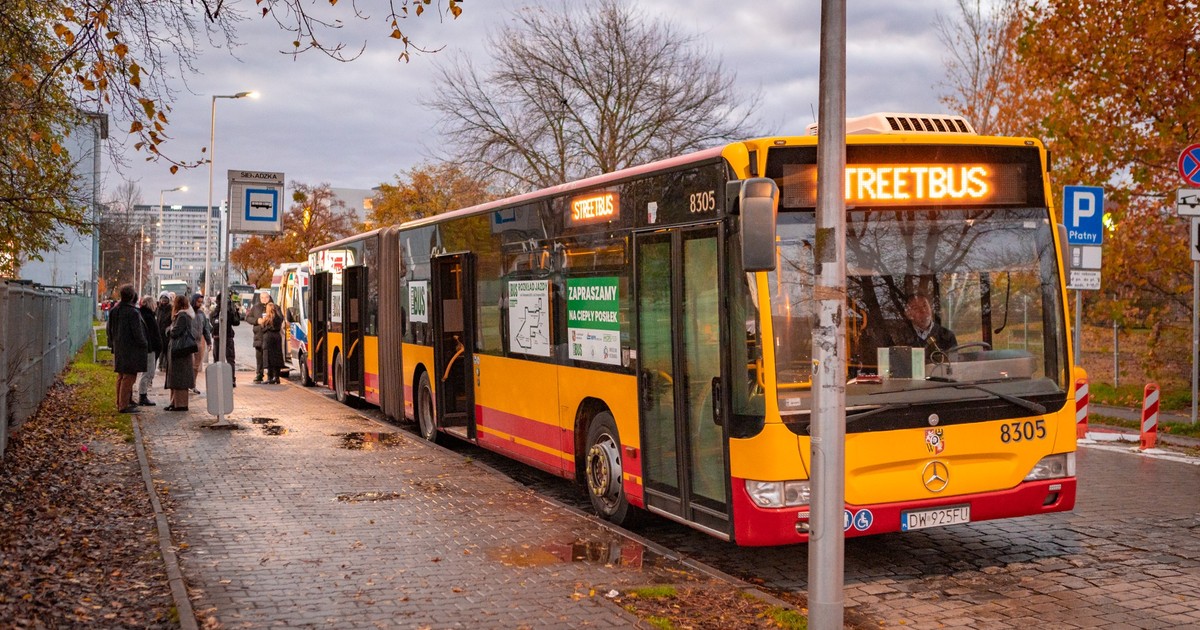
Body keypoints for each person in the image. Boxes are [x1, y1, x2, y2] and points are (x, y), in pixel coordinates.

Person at [106, 285, 148, 413]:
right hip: (131, 349)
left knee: (121, 375)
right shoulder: (132, 312)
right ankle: (123, 405)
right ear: (132, 296)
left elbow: (109, 329)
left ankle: (120, 402)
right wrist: (144, 343)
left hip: (119, 346)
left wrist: (113, 343)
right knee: (129, 377)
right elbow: (137, 333)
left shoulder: (114, 310)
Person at [164, 294, 196, 411]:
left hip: (180, 349)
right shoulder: (181, 315)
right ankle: (174, 402)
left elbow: (175, 332)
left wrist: (168, 330)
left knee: (179, 377)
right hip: (179, 349)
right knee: (175, 376)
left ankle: (180, 404)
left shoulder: (182, 316)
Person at [135, 295, 163, 406]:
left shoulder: (142, 314)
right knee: (148, 372)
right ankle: (142, 395)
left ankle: (143, 394)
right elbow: (153, 334)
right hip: (150, 348)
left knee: (148, 372)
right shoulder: (149, 316)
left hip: (149, 347)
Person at [211, 292, 241, 387]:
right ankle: (229, 379)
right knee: (227, 359)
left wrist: (234, 311)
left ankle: (225, 379)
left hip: (224, 338)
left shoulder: (221, 312)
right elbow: (236, 322)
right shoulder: (217, 312)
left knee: (224, 360)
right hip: (221, 338)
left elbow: (236, 322)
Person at [247, 291, 272, 383]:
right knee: (259, 356)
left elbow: (279, 318)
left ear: (269, 297)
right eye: (262, 298)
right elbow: (248, 318)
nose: (264, 299)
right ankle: (259, 374)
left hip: (270, 335)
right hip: (259, 336)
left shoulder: (273, 307)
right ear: (260, 298)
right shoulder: (256, 307)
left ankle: (271, 375)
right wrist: (257, 321)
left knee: (270, 356)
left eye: (266, 297)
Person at [190, 293, 213, 394]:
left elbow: (206, 329)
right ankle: (187, 384)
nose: (199, 304)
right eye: (198, 302)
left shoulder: (201, 314)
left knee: (196, 366)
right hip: (189, 343)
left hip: (198, 343)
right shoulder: (188, 312)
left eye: (201, 302)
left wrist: (208, 342)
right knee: (189, 365)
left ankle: (193, 384)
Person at [259, 302, 285, 384]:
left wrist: (262, 322)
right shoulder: (278, 318)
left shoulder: (267, 319)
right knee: (276, 357)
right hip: (277, 337)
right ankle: (276, 377)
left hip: (268, 338)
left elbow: (263, 328)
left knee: (268, 357)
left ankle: (270, 377)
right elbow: (282, 318)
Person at [155, 291, 173, 372]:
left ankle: (165, 365)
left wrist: (169, 328)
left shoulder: (171, 309)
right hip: (158, 332)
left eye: (166, 299)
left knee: (166, 349)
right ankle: (160, 364)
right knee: (160, 349)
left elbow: (172, 320)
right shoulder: (157, 308)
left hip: (167, 333)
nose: (164, 301)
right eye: (162, 299)